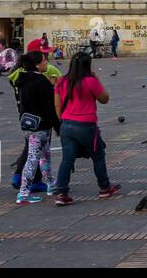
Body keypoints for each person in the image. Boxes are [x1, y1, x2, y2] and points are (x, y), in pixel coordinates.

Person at [52, 52, 120, 205]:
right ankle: (104, 187)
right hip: (86, 125)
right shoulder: (90, 81)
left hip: (66, 124)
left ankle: (62, 193)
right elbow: (105, 99)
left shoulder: (62, 81)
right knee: (98, 156)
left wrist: (62, 121)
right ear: (87, 64)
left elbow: (57, 104)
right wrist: (97, 79)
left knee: (67, 160)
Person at [12, 51, 60, 204]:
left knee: (45, 155)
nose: (47, 63)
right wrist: (58, 126)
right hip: (40, 126)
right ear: (38, 64)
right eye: (45, 61)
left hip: (28, 124)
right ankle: (23, 192)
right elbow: (49, 107)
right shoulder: (40, 81)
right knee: (33, 158)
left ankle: (51, 184)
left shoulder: (22, 80)